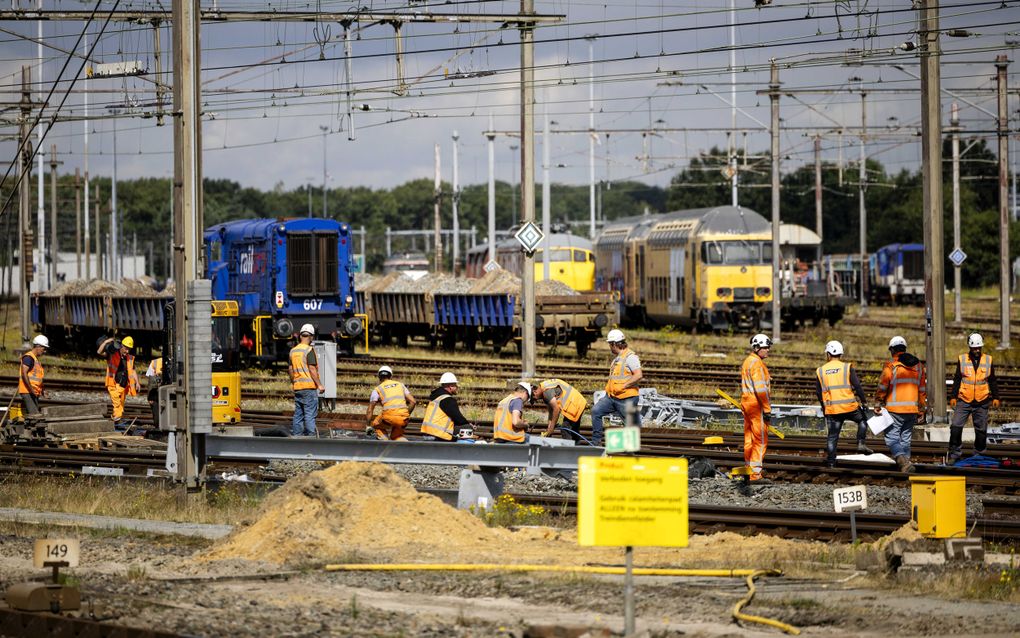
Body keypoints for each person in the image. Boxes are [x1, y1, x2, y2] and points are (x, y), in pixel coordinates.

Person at [815, 340, 872, 468]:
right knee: (863, 421)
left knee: (832, 437)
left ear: (828, 354)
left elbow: (818, 393)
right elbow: (857, 386)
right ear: (840, 354)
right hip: (850, 406)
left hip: (833, 409)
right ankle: (861, 443)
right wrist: (864, 401)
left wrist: (825, 408)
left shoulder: (821, 370)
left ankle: (831, 462)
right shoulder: (847, 367)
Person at [874, 335, 926, 473]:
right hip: (912, 410)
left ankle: (902, 461)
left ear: (892, 350)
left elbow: (882, 387)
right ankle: (906, 465)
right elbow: (922, 390)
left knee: (891, 438)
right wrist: (921, 409)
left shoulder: (891, 366)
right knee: (905, 439)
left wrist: (878, 403)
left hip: (895, 409)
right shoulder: (919, 366)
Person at [947, 333, 1000, 463]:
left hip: (982, 400)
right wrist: (953, 396)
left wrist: (996, 397)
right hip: (964, 399)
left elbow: (992, 380)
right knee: (955, 426)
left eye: (979, 348)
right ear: (970, 347)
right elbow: (958, 378)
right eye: (974, 348)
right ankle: (954, 454)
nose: (977, 350)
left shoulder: (988, 360)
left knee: (981, 430)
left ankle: (979, 454)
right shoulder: (963, 359)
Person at [590, 329, 643, 446]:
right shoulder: (616, 359)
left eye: (610, 344)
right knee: (596, 411)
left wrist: (624, 386)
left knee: (630, 424)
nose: (609, 347)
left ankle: (631, 448)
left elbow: (638, 375)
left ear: (614, 344)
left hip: (627, 398)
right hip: (612, 397)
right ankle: (596, 441)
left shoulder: (630, 357)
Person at [741, 333, 773, 481]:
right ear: (757, 348)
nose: (768, 350)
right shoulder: (757, 364)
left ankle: (748, 469)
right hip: (756, 406)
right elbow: (761, 390)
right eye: (765, 348)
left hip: (747, 404)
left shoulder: (748, 361)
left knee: (749, 439)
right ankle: (755, 474)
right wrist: (766, 408)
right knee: (760, 440)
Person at [288, 324, 325, 437]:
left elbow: (290, 369)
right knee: (309, 414)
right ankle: (311, 439)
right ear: (311, 337)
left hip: (298, 388)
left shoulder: (293, 351)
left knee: (298, 414)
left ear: (300, 336)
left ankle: (297, 438)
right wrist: (319, 385)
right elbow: (312, 369)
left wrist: (294, 382)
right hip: (309, 388)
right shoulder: (309, 350)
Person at [97, 335, 140, 428]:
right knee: (117, 403)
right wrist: (106, 342)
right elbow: (99, 352)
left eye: (129, 349)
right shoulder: (112, 354)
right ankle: (117, 420)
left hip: (123, 385)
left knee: (120, 405)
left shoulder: (130, 358)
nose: (127, 351)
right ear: (122, 346)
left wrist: (137, 382)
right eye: (126, 349)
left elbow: (133, 370)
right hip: (113, 383)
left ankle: (115, 420)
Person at [366, 365, 416, 441]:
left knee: (376, 424)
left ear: (379, 377)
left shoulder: (377, 389)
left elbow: (370, 409)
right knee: (397, 436)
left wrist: (368, 425)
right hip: (403, 418)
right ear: (391, 376)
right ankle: (401, 442)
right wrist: (406, 415)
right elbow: (413, 402)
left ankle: (384, 439)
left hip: (388, 418)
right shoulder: (400, 385)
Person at [421, 372, 474, 442]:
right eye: (455, 385)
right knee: (467, 427)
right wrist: (469, 424)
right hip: (438, 435)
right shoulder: (448, 399)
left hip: (427, 432)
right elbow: (458, 418)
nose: (457, 387)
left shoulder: (436, 397)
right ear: (450, 386)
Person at [18, 335, 49, 415]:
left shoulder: (36, 360)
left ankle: (27, 427)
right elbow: (24, 373)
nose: (44, 351)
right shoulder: (28, 358)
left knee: (32, 415)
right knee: (34, 415)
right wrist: (31, 389)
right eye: (44, 348)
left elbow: (37, 378)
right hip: (27, 391)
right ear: (38, 346)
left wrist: (42, 391)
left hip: (33, 392)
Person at [145, 356, 163, 427]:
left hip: (156, 392)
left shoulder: (155, 362)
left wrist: (149, 397)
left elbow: (151, 381)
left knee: (157, 414)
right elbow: (151, 381)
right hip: (157, 392)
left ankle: (158, 426)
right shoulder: (155, 362)